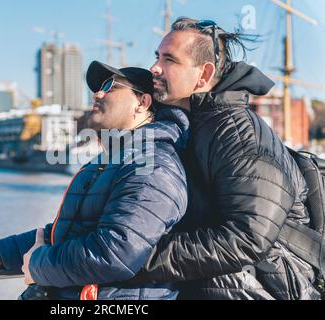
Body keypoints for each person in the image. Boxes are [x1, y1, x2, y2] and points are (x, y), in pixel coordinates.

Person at [0, 61, 190, 300]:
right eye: (98, 87)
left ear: (142, 103)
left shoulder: (151, 166)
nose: (97, 93)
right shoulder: (113, 159)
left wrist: (38, 265)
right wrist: (2, 255)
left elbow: (114, 254)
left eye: (110, 86)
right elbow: (71, 230)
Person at [131, 17, 320, 300]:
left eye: (169, 60)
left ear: (204, 75)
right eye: (157, 57)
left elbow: (247, 237)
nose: (154, 68)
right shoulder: (196, 125)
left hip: (267, 288)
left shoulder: (236, 133)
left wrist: (137, 259)